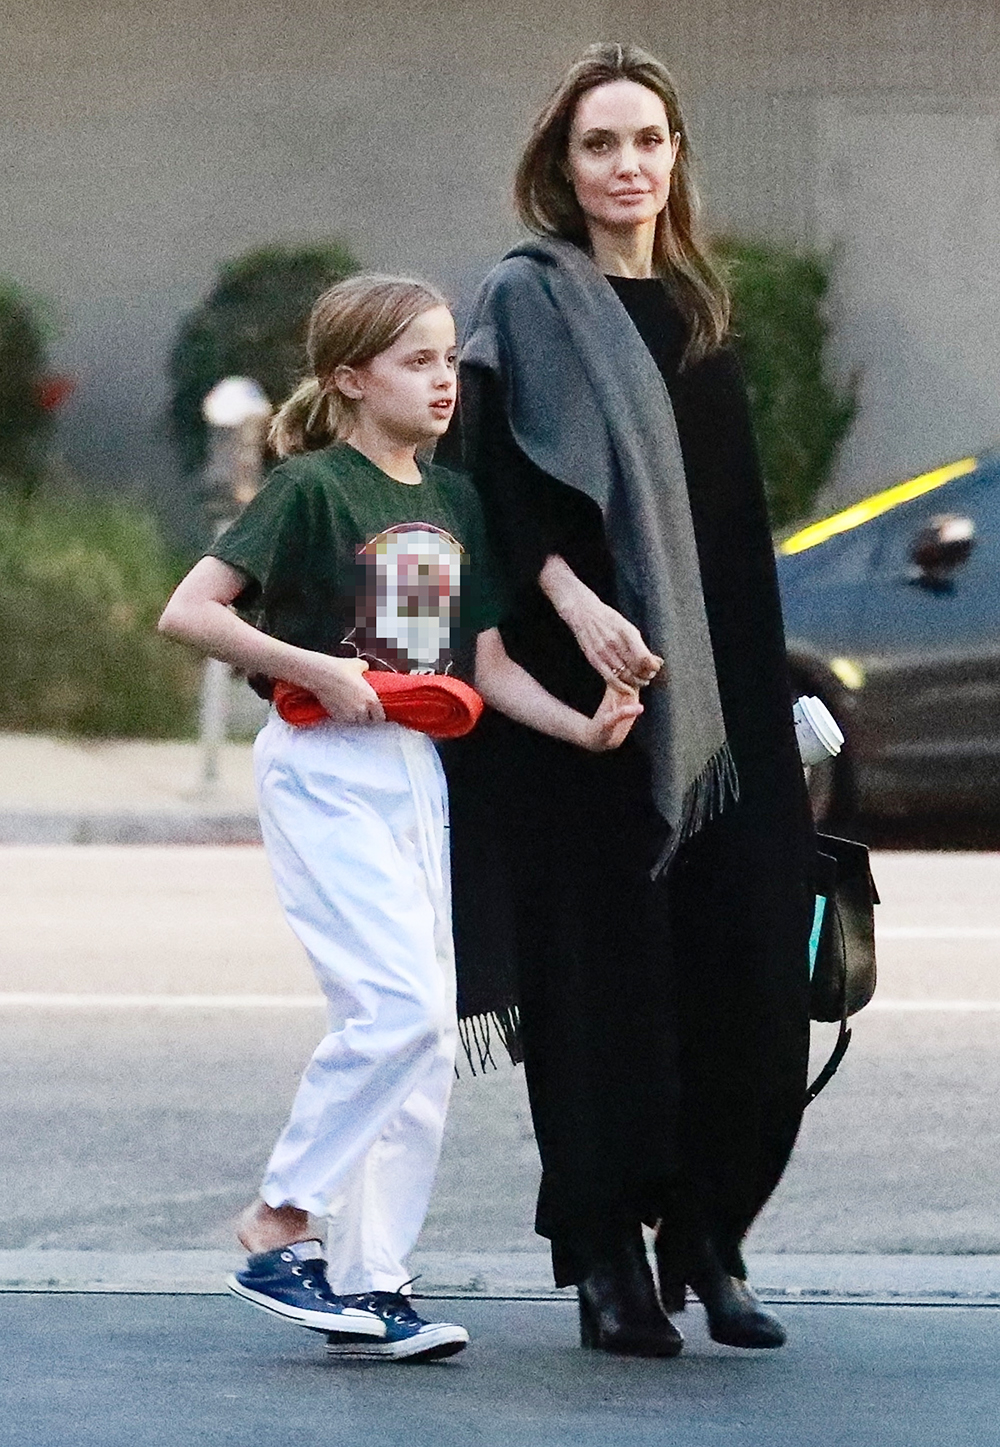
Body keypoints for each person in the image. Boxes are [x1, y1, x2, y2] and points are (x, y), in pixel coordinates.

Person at [158, 273, 642, 1363]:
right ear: (349, 378)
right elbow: (190, 610)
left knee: (425, 1045)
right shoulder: (313, 489)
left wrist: (583, 728)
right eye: (416, 361)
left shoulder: (455, 501)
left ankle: (370, 1282)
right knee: (398, 1010)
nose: (441, 382)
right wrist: (315, 671)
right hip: (322, 765)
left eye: (446, 362)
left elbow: (482, 665)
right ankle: (281, 1222)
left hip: (415, 770)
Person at [441, 44, 815, 1356]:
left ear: (675, 158)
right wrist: (580, 602)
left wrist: (772, 705)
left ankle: (709, 1236)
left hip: (718, 707)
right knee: (601, 984)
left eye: (647, 141)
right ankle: (606, 1252)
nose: (627, 167)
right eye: (601, 145)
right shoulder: (525, 301)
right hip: (581, 709)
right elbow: (489, 487)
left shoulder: (704, 311)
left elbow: (729, 535)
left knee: (750, 971)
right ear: (564, 163)